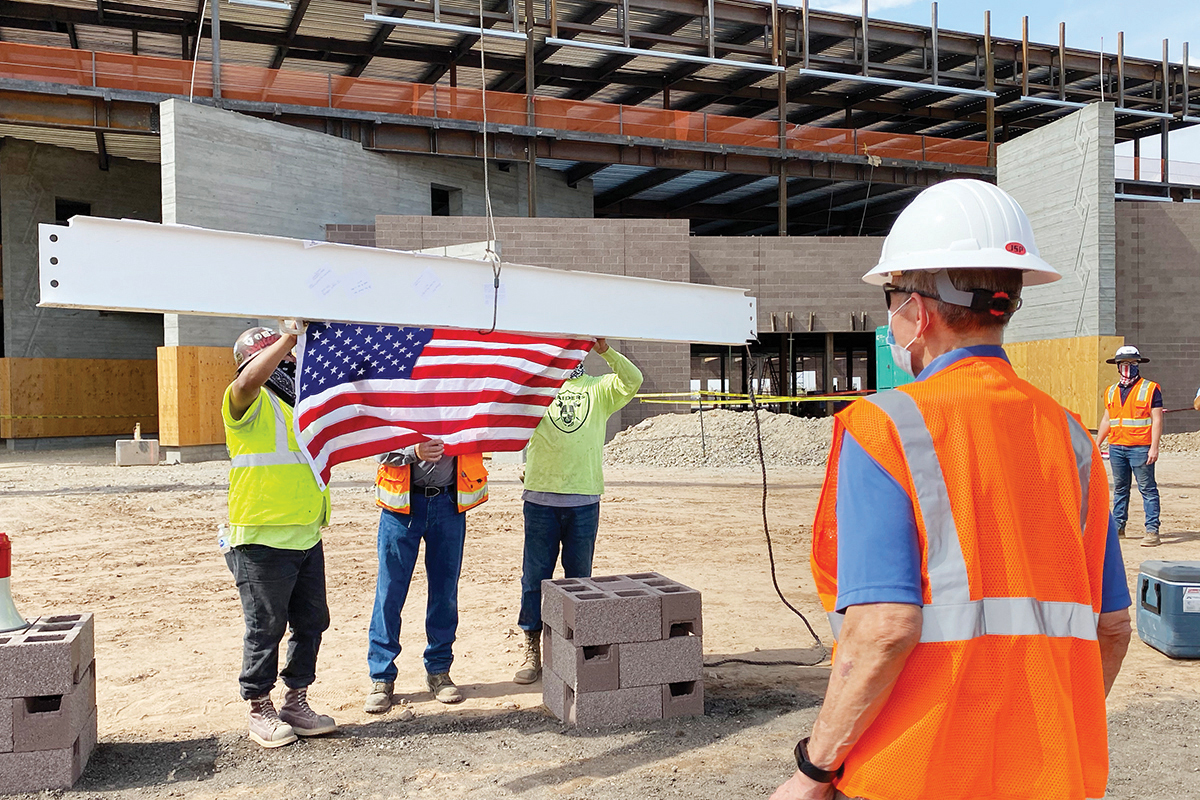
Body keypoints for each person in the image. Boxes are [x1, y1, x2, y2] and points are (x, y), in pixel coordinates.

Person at [772, 179, 1132, 800]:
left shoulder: (882, 428)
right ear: (1006, 302)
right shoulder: (1073, 439)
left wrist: (815, 768)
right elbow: (1113, 626)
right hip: (1051, 777)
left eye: (892, 298)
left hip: (917, 776)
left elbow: (884, 628)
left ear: (919, 310)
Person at [222, 321, 337, 749]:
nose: (287, 362)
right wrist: (289, 336)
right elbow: (250, 379)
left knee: (311, 621)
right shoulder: (244, 398)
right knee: (265, 625)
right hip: (262, 534)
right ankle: (258, 706)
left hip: (305, 531)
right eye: (278, 356)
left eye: (289, 357)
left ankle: (296, 700)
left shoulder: (302, 403)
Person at [512, 338, 643, 684]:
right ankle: (532, 648)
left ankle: (576, 648)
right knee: (534, 579)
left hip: (583, 499)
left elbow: (633, 380)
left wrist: (605, 350)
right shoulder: (537, 390)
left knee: (580, 581)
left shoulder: (598, 390)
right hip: (540, 499)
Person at [364, 439, 489, 712]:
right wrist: (414, 453)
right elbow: (376, 447)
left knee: (444, 593)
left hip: (448, 504)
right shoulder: (397, 400)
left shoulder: (464, 401)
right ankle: (381, 677)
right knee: (390, 594)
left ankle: (439, 670)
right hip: (401, 510)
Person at [1097, 345, 1164, 547]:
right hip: (1117, 447)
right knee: (1120, 489)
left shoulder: (1150, 388)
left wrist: (1154, 447)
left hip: (1140, 448)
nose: (1127, 367)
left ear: (1138, 364)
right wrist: (1097, 442)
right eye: (1123, 364)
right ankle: (1119, 527)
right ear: (1117, 366)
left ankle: (1152, 530)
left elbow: (1157, 419)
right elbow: (1107, 420)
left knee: (1147, 489)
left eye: (1132, 363)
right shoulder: (1110, 391)